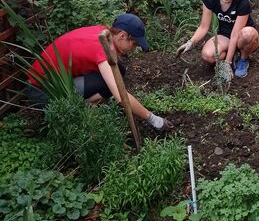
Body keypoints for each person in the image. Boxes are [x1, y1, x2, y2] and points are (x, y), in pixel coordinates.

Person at [27, 13, 173, 132]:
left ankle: (85, 104)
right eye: (134, 43)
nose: (134, 48)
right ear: (122, 36)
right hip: (45, 90)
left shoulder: (104, 32)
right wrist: (153, 119)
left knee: (118, 71)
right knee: (112, 85)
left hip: (55, 80)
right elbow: (121, 95)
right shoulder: (101, 50)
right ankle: (78, 109)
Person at [176, 0, 259, 78]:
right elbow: (203, 27)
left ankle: (243, 59)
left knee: (248, 34)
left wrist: (227, 64)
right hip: (224, 35)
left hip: (242, 37)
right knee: (207, 56)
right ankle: (231, 54)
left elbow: (235, 34)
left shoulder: (242, 1)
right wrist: (191, 42)